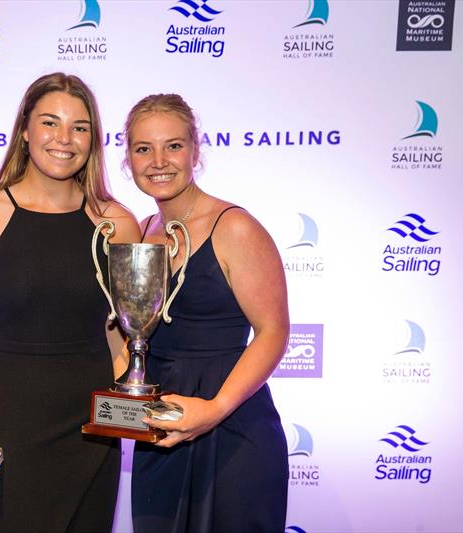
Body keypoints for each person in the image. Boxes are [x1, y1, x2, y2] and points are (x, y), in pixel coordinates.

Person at [0, 72, 140, 533]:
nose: (64, 139)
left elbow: (121, 332)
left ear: (93, 139)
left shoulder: (117, 224)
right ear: (25, 130)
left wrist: (134, 394)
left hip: (91, 425)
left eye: (79, 127)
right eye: (50, 122)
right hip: (6, 422)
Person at [125, 94, 290, 533]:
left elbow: (273, 332)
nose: (159, 161)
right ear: (128, 159)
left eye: (173, 146)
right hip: (160, 428)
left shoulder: (235, 226)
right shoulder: (142, 232)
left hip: (232, 429)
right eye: (144, 149)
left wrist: (216, 408)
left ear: (195, 150)